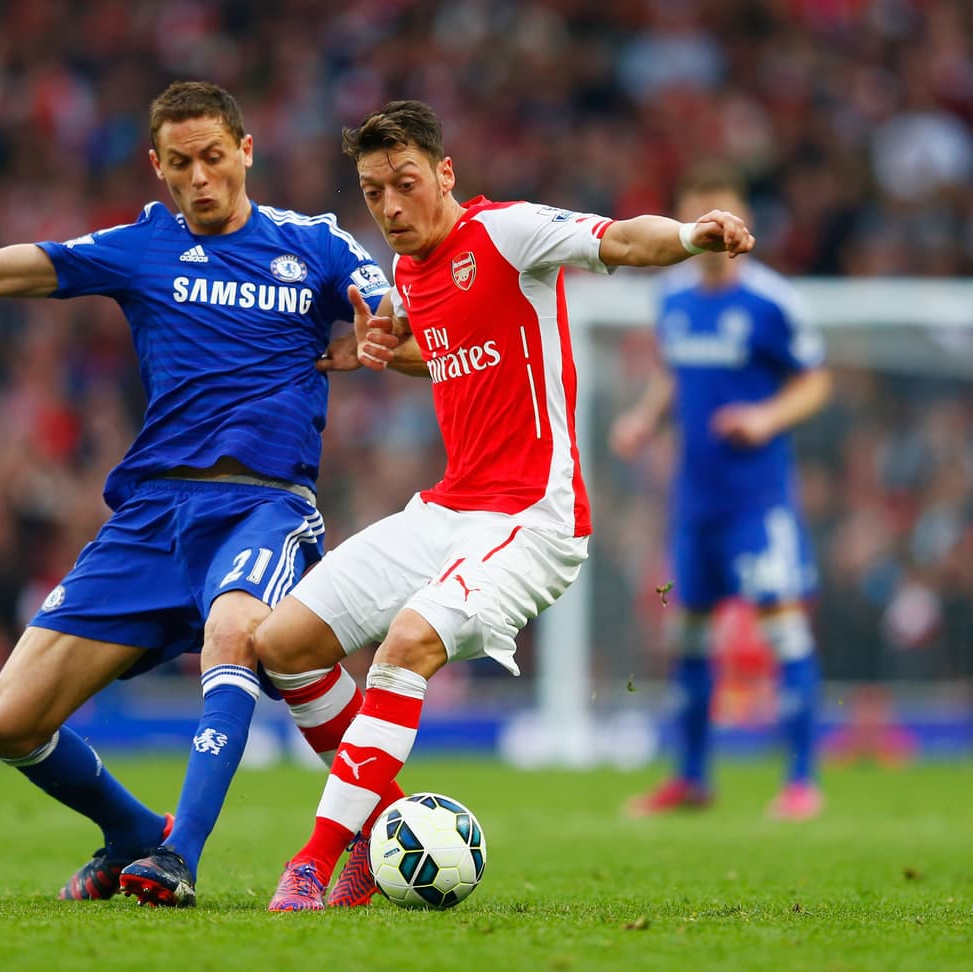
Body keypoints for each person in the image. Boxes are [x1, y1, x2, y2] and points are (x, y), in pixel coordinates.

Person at [0, 81, 394, 908]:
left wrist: (379, 328)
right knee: (6, 723)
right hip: (153, 520)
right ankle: (136, 833)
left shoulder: (318, 244)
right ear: (157, 166)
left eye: (215, 158)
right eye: (182, 164)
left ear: (247, 151)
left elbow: (397, 320)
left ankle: (180, 858)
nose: (201, 179)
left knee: (236, 628)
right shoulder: (140, 248)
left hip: (263, 504)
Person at [251, 100, 756, 911]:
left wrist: (694, 235)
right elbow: (443, 353)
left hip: (534, 518)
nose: (388, 206)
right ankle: (381, 821)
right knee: (281, 644)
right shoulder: (411, 273)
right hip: (450, 510)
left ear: (445, 174)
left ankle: (317, 860)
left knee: (408, 643)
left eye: (404, 183)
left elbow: (623, 239)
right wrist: (389, 350)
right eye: (373, 191)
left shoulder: (507, 232)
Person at [611, 164, 832, 821]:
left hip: (758, 501)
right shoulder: (673, 298)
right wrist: (645, 418)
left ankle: (800, 781)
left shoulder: (772, 301)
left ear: (740, 223)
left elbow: (815, 381)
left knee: (784, 630)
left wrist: (765, 418)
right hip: (696, 502)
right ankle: (692, 777)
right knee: (688, 637)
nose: (711, 227)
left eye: (722, 213)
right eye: (698, 213)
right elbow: (676, 373)